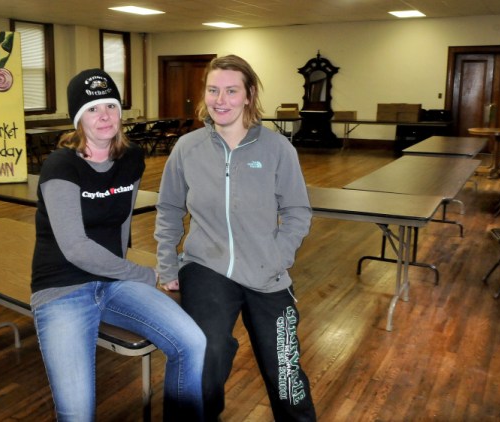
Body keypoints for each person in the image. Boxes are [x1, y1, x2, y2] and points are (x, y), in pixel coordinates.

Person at [31, 68, 206, 421]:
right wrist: (141, 273)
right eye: (93, 109)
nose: (105, 115)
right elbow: (76, 248)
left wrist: (127, 273)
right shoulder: (60, 166)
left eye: (110, 105)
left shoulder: (131, 158)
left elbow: (122, 221)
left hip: (113, 283)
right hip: (62, 289)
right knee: (77, 411)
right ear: (79, 118)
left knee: (192, 343)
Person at [154, 55, 317, 421]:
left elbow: (297, 211)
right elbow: (168, 209)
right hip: (207, 267)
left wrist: (278, 257)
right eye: (213, 90)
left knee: (286, 373)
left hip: (267, 271)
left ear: (249, 95)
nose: (221, 100)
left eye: (231, 90)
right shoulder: (188, 148)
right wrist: (167, 266)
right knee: (204, 356)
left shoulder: (277, 149)